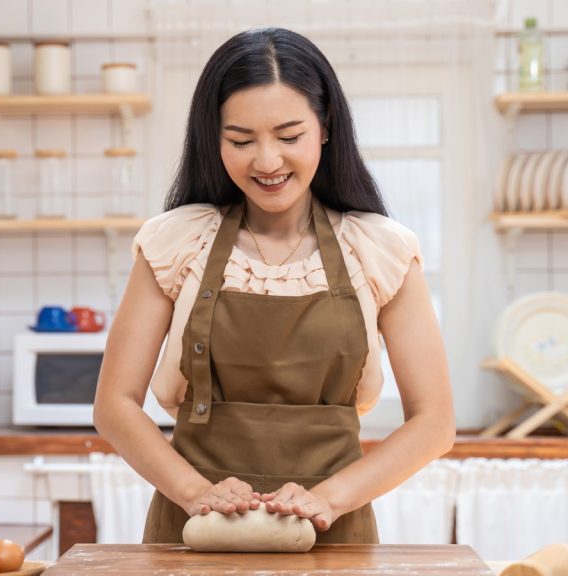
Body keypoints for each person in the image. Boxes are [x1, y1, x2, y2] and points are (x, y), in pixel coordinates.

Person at [93, 27, 454, 545]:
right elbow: (115, 404)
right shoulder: (176, 242)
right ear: (212, 138)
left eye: (289, 136)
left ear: (325, 128)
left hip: (334, 532)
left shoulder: (380, 250)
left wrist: (329, 498)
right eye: (240, 140)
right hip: (194, 531)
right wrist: (195, 492)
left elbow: (434, 423)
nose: (266, 161)